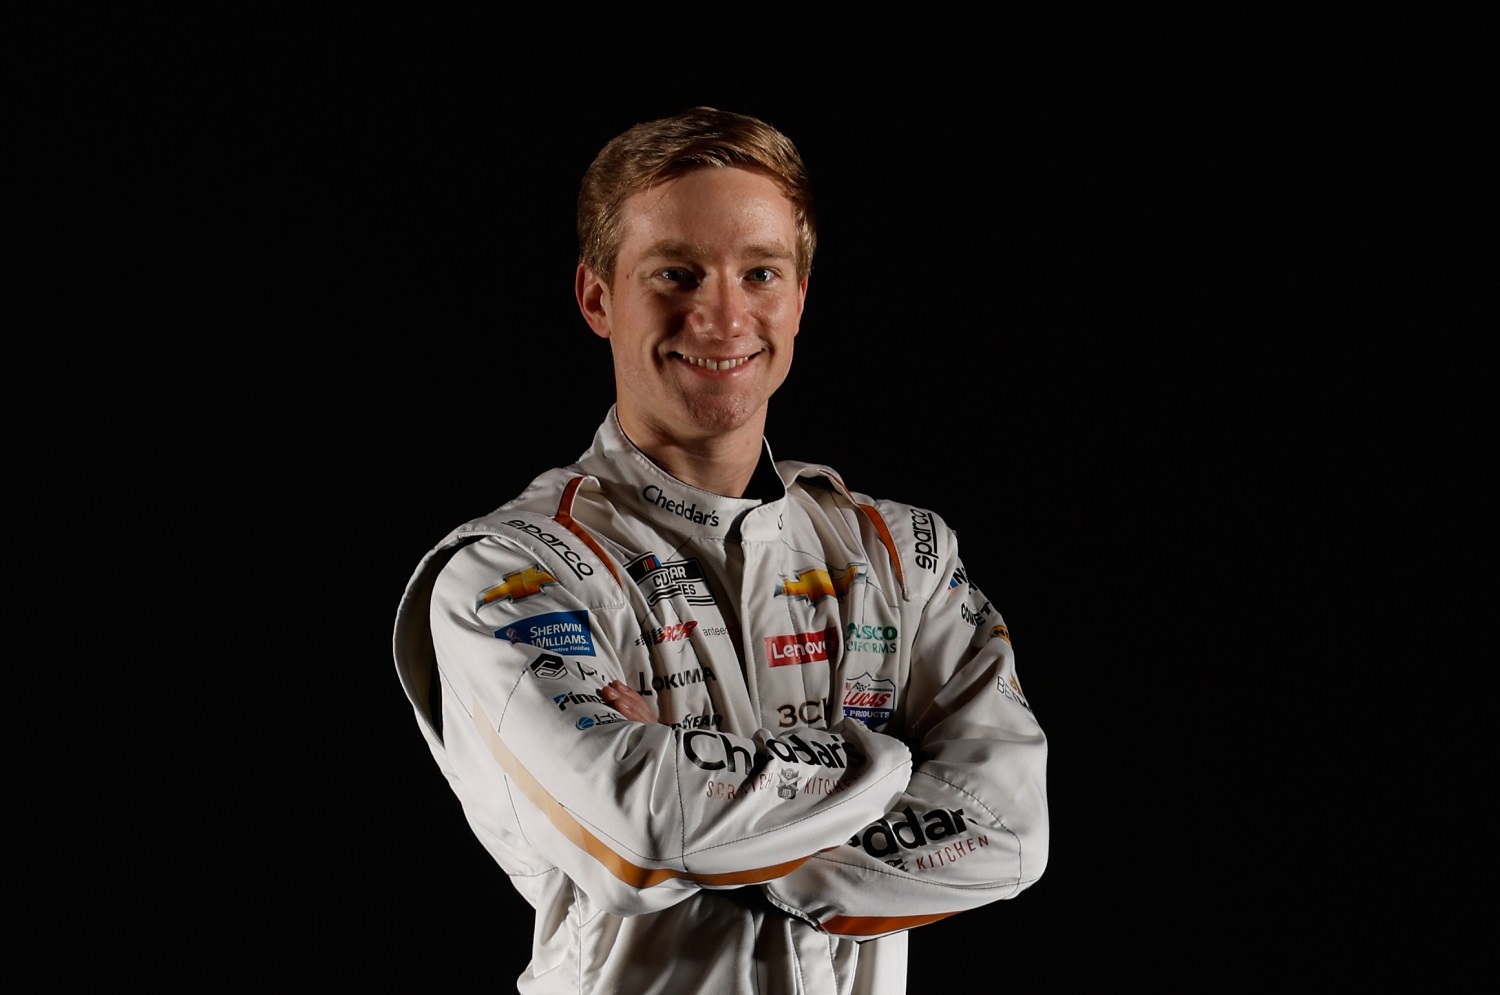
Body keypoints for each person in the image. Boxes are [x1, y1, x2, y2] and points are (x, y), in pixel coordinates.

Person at [392, 106, 1048, 994]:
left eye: (761, 272)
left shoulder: (904, 555)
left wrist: (721, 806)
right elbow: (642, 834)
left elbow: (1009, 832)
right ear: (597, 298)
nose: (723, 315)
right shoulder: (507, 571)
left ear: (800, 297)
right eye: (676, 273)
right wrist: (887, 763)